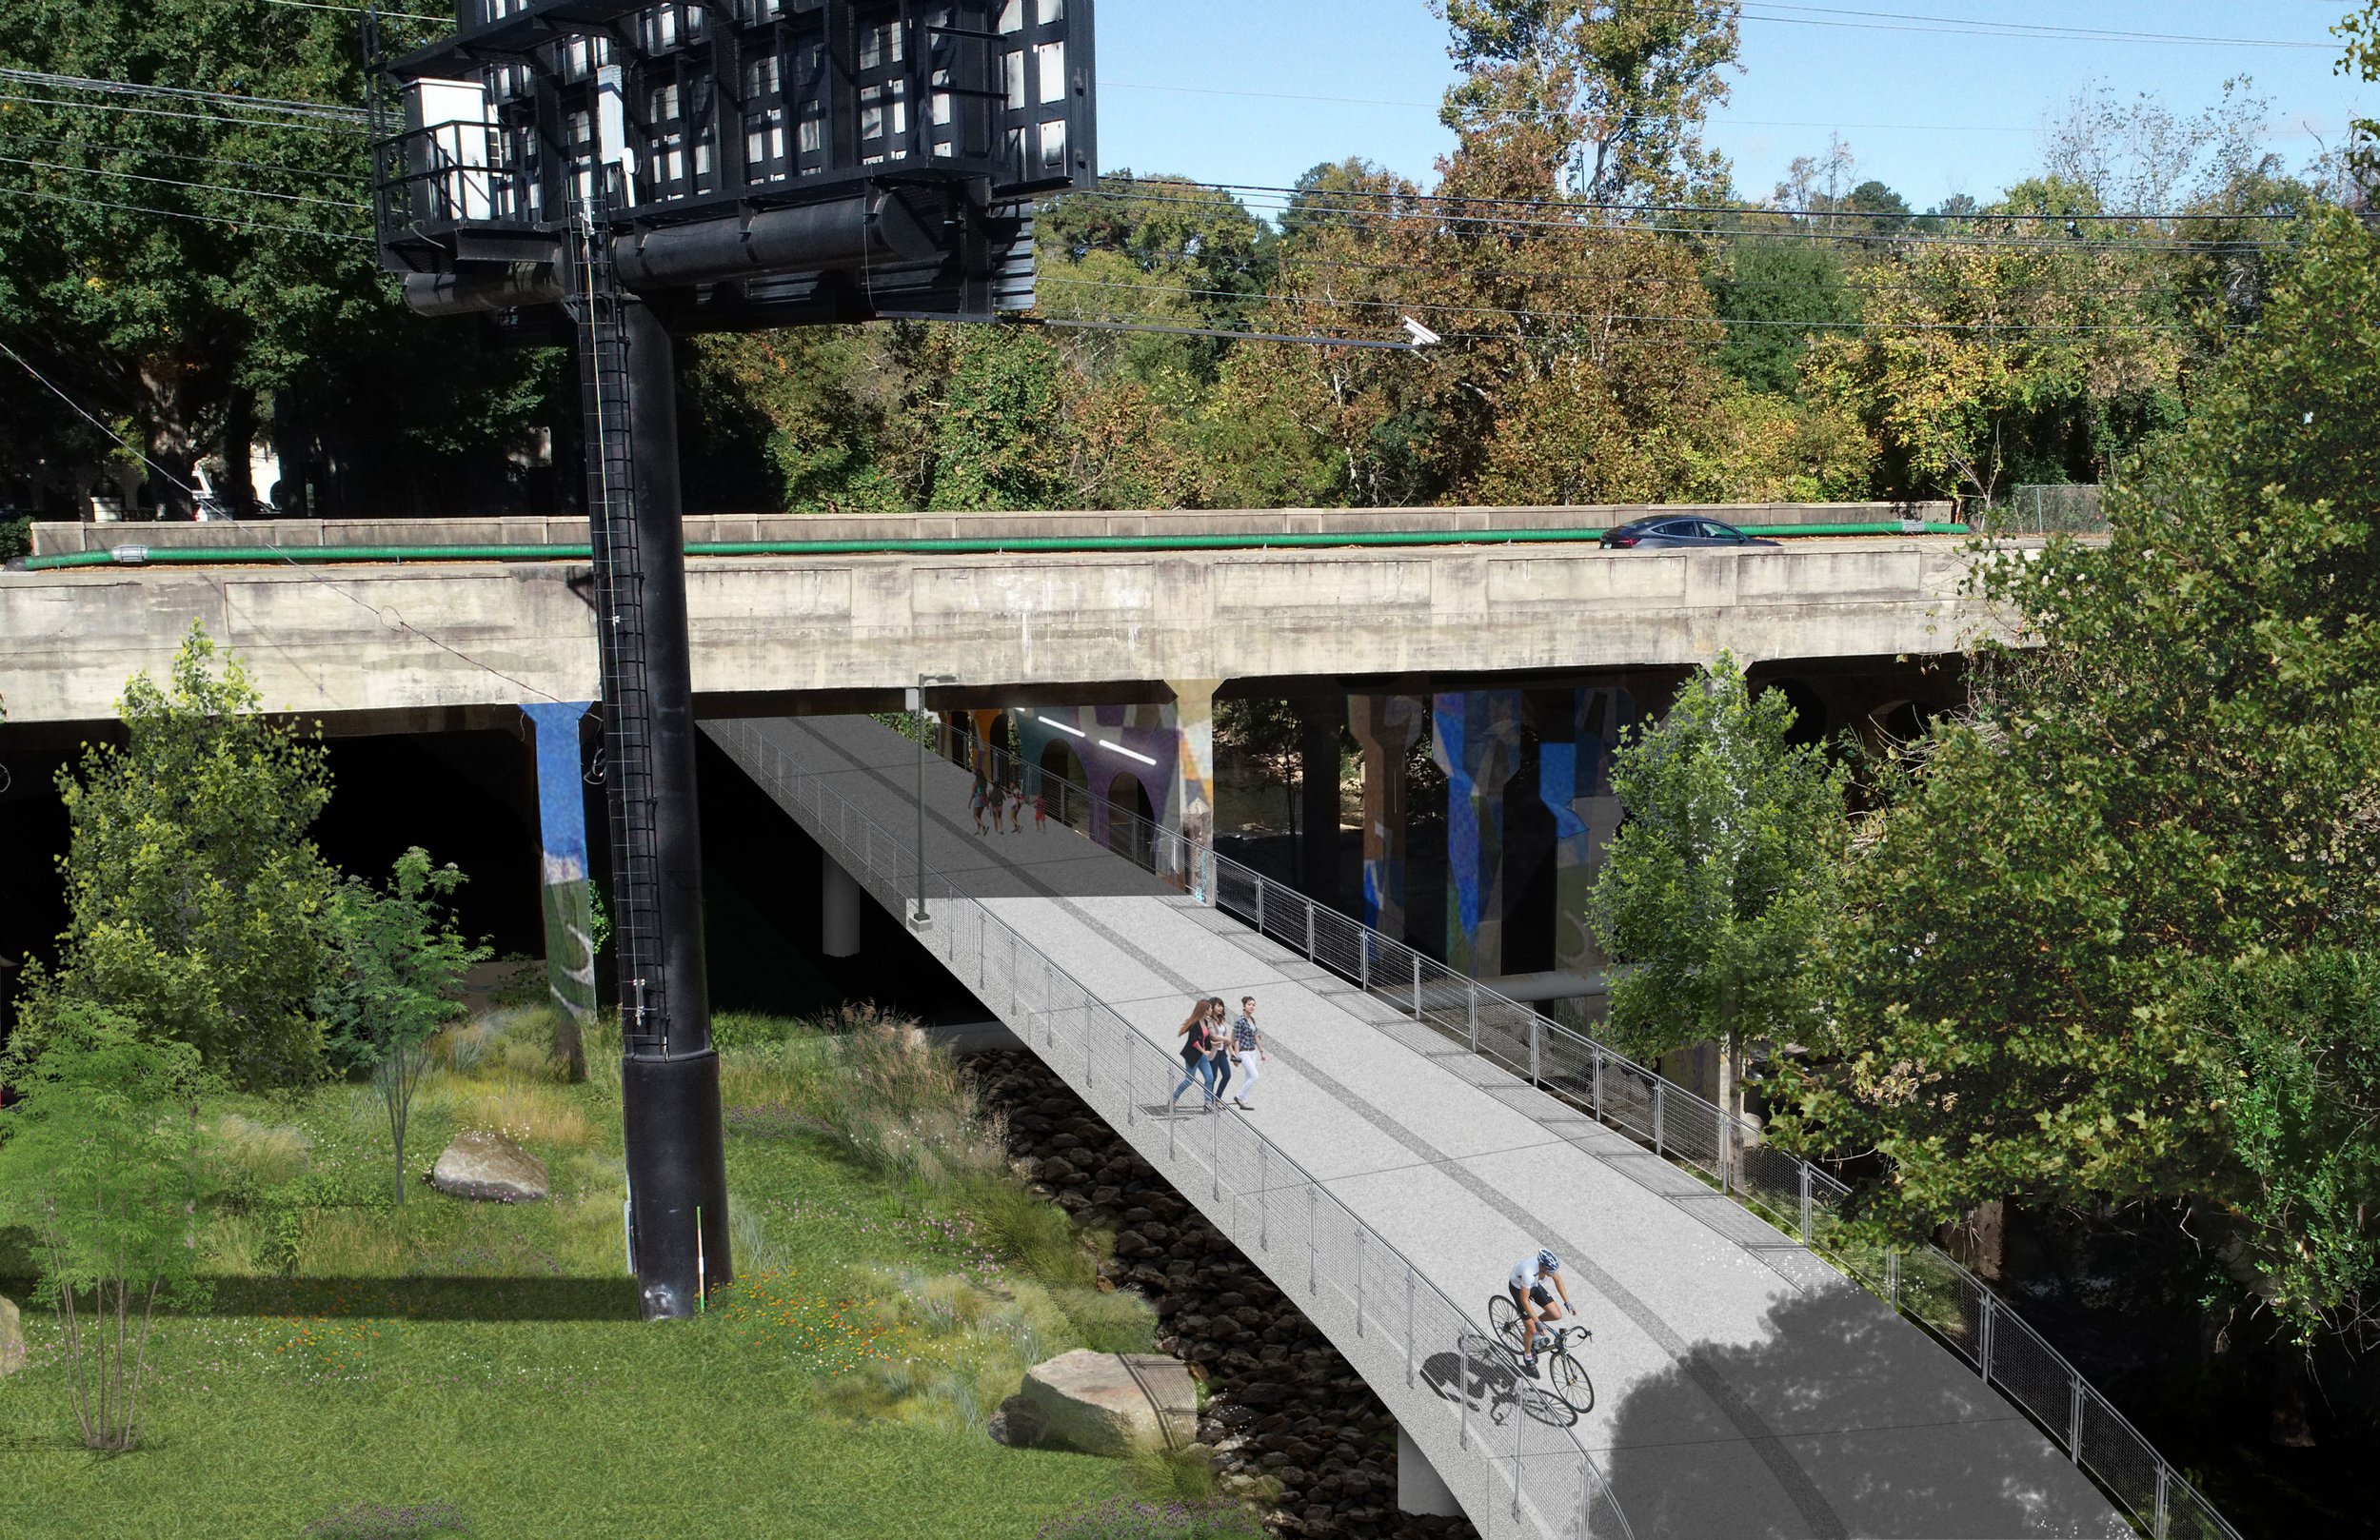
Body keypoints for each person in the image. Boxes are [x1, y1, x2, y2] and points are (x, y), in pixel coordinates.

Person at [1509, 1248, 1574, 1378]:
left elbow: (1558, 1280)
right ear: (1543, 1267)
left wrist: (1567, 1302)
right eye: (1551, 1270)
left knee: (1556, 1314)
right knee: (1532, 1329)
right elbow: (1524, 1300)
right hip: (1518, 1289)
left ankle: (1532, 1323)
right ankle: (1527, 1356)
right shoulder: (1528, 1273)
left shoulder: (1546, 1267)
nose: (1553, 1273)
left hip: (1534, 1285)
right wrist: (1536, 1322)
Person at [1168, 1000, 1220, 1114]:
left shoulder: (1205, 1022)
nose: (1212, 1010)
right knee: (1188, 1080)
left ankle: (1207, 1103)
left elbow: (1204, 1039)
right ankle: (1172, 1100)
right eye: (1210, 1008)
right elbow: (1194, 1041)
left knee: (1210, 1078)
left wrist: (1212, 1045)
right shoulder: (1194, 1024)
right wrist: (1203, 1051)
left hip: (1202, 1056)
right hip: (1193, 1056)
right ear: (1205, 1010)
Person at [1227, 996, 1266, 1110]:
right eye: (1249, 1004)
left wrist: (1261, 1051)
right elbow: (1237, 1039)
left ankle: (1243, 1100)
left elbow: (1256, 1037)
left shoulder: (1252, 1020)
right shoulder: (1240, 1021)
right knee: (1255, 1076)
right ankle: (1239, 1096)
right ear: (1244, 1006)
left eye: (1253, 1005)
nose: (1252, 1007)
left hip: (1252, 1051)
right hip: (1243, 1052)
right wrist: (1236, 1055)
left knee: (1249, 1076)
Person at [1203, 997, 1233, 1104]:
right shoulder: (1208, 1020)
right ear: (1212, 1007)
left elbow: (1224, 1035)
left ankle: (1217, 1098)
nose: (1221, 1008)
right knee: (1213, 1077)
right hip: (1213, 1051)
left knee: (1227, 1074)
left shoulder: (1221, 1020)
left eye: (1222, 1006)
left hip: (1222, 1052)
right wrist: (1226, 1038)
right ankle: (1208, 1101)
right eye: (1218, 1006)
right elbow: (1212, 1036)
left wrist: (1231, 1050)